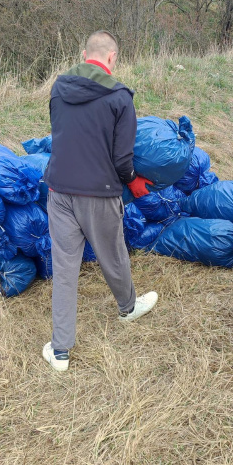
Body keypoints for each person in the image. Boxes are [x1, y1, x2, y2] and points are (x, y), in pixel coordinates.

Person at [41, 30, 159, 372]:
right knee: (113, 255)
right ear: (112, 58)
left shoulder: (58, 90)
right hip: (99, 191)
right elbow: (123, 158)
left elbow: (60, 136)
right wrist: (133, 181)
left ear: (83, 53)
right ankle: (127, 308)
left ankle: (60, 351)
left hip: (59, 190)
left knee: (65, 269)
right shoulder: (120, 97)